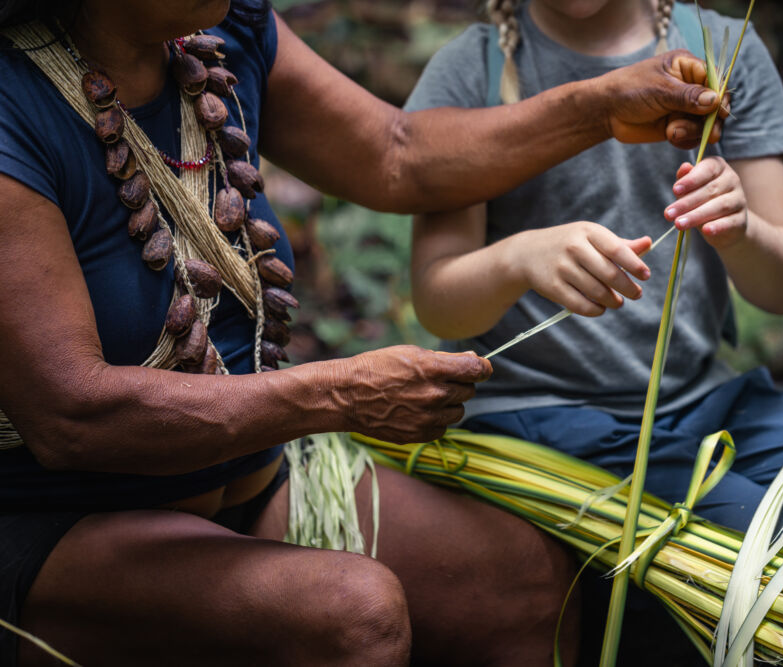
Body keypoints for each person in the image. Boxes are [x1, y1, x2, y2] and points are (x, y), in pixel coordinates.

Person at [0, 0, 728, 664]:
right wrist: (339, 394)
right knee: (353, 616)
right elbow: (71, 413)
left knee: (526, 585)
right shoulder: (14, 102)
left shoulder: (220, 31)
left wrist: (600, 106)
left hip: (248, 481)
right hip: (59, 525)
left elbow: (397, 152)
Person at [406, 0, 783, 659]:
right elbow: (437, 298)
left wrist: (739, 230)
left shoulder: (717, 49)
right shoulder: (472, 71)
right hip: (538, 415)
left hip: (702, 399)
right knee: (756, 547)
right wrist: (520, 258)